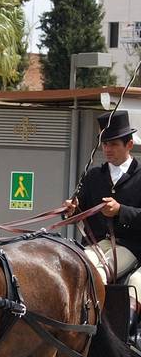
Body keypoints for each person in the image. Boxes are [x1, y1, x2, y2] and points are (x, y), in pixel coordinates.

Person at [64, 110, 141, 322]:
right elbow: (80, 208)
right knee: (78, 265)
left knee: (97, 271)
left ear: (129, 145)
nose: (107, 149)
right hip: (96, 243)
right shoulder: (93, 176)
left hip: (130, 246)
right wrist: (73, 210)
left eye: (114, 144)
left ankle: (120, 330)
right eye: (105, 144)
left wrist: (121, 211)